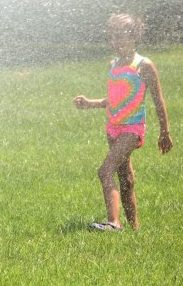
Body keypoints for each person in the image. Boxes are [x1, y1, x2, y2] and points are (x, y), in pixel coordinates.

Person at [73, 13, 171, 231]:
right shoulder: (113, 64)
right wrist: (90, 103)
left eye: (122, 37)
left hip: (132, 130)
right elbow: (115, 100)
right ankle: (134, 228)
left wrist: (165, 132)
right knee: (125, 177)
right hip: (113, 128)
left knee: (105, 170)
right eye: (113, 37)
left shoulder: (143, 65)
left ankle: (114, 223)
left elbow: (158, 100)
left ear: (135, 37)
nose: (116, 42)